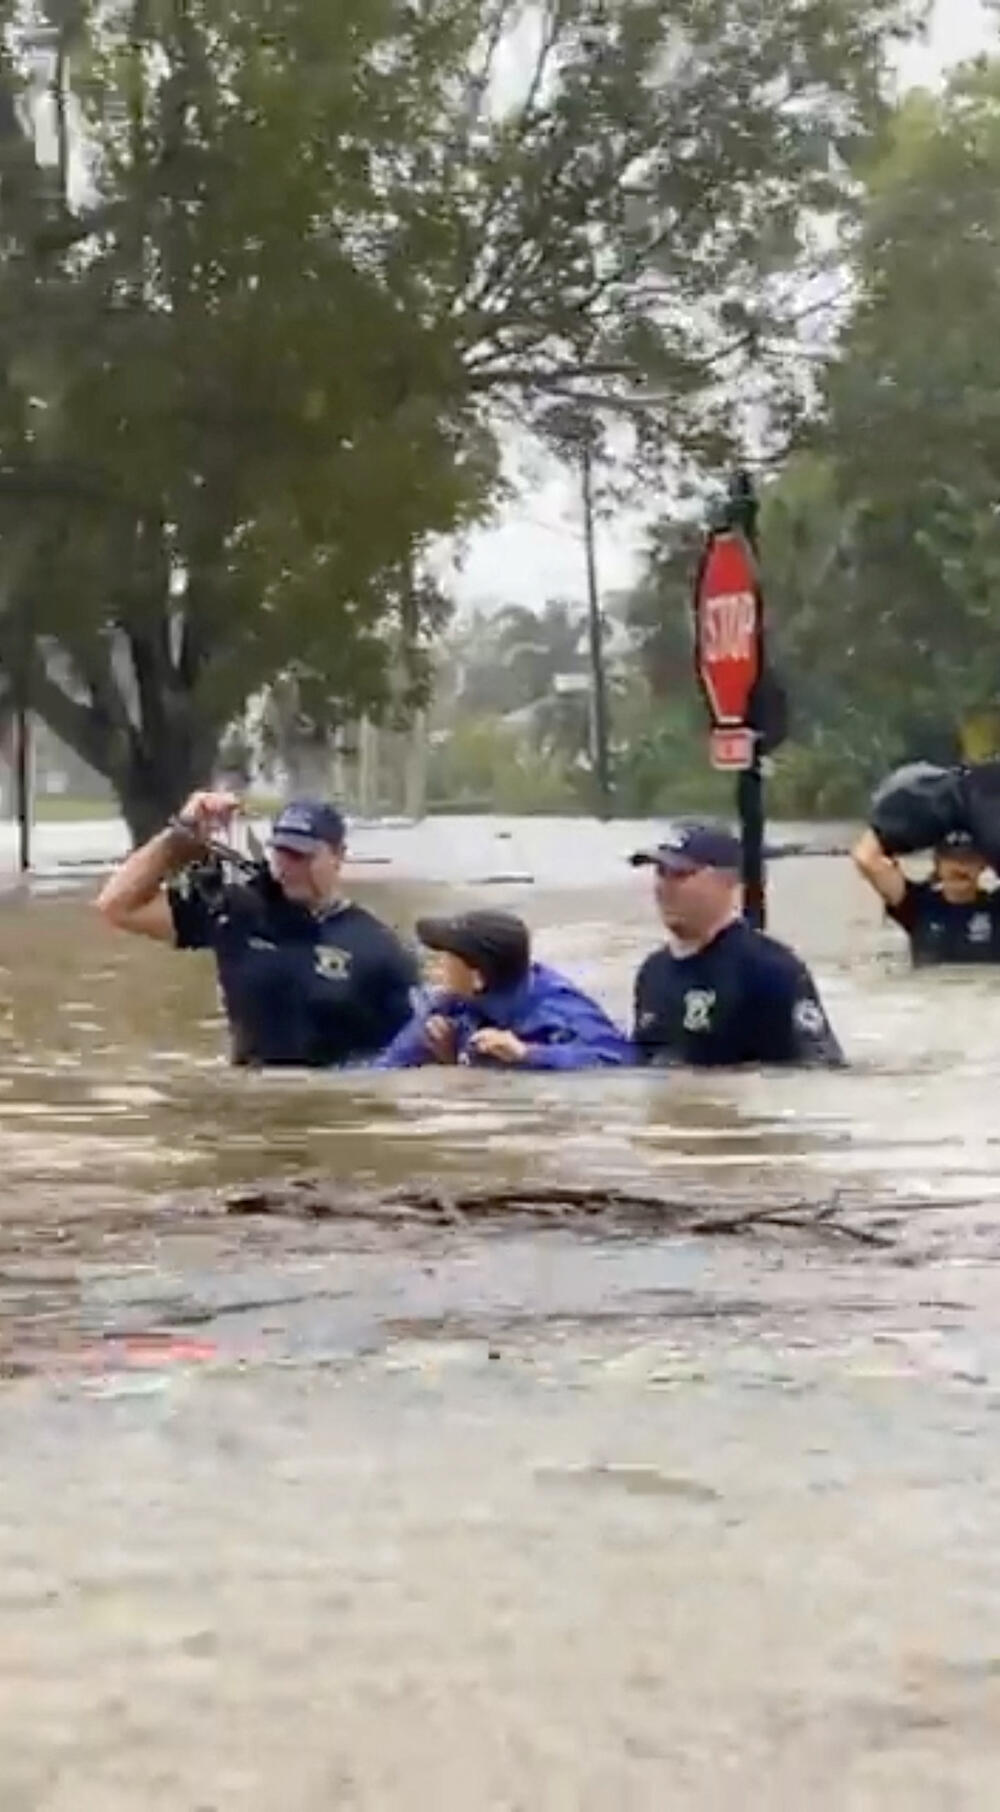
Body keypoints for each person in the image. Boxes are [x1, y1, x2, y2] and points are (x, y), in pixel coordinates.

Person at [95, 791, 417, 1066]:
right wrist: (180, 834)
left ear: (338, 856)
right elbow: (117, 906)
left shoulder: (379, 949)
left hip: (333, 1108)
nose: (289, 867)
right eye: (282, 852)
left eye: (303, 856)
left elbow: (412, 1055)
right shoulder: (239, 914)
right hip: (250, 1102)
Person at [630, 821, 844, 1068]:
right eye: (660, 873)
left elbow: (819, 1070)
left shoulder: (770, 970)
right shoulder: (652, 973)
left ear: (727, 881)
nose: (664, 887)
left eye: (680, 875)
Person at [375, 908, 630, 1070]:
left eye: (448, 956)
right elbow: (383, 1072)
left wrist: (527, 1055)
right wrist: (448, 1062)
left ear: (477, 977)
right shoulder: (447, 1006)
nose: (438, 964)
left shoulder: (558, 1010)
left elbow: (621, 1062)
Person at [852, 825, 1000, 965]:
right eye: (952, 859)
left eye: (969, 859)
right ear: (937, 863)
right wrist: (890, 818)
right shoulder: (918, 905)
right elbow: (866, 858)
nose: (961, 867)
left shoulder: (995, 907)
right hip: (930, 990)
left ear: (983, 864)